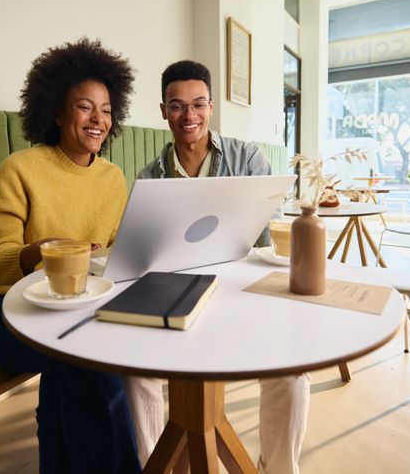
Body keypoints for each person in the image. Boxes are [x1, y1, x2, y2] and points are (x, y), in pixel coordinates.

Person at [127, 60, 311, 474]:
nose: (188, 116)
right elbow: (145, 258)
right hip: (175, 296)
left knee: (292, 374)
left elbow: (269, 233)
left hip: (242, 291)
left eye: (197, 104)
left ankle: (277, 469)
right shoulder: (147, 178)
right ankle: (157, 466)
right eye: (177, 106)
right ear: (163, 111)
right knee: (135, 377)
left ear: (211, 108)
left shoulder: (249, 159)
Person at [0, 38, 141, 474]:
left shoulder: (112, 178)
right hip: (9, 315)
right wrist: (38, 252)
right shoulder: (21, 168)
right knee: (88, 363)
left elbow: (119, 254)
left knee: (79, 362)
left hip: (80, 309)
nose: (98, 119)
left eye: (106, 110)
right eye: (85, 107)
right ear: (55, 111)